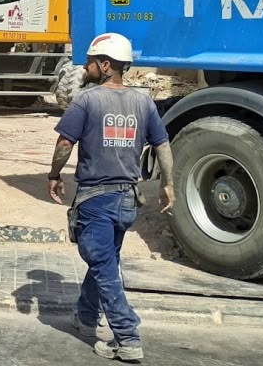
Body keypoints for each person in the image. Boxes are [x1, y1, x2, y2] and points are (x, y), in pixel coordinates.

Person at [47, 32, 174, 362]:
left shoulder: (87, 101)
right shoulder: (144, 102)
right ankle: (86, 317)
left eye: (90, 61)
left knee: (103, 267)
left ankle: (128, 336)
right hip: (127, 201)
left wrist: (53, 174)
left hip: (96, 200)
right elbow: (162, 144)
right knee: (104, 261)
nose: (86, 66)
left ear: (105, 66)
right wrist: (168, 183)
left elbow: (64, 144)